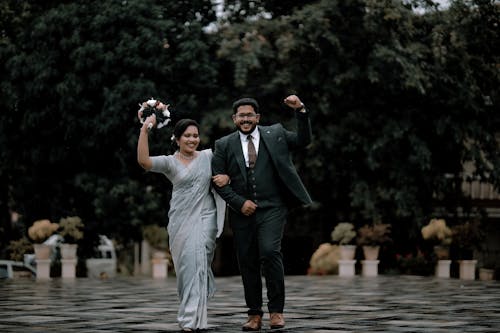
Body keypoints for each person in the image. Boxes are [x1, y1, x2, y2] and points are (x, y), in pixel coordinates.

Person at [211, 95, 313, 331]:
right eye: (241, 115)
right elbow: (218, 181)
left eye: (249, 115)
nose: (245, 119)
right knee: (247, 261)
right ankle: (254, 314)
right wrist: (238, 202)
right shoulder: (224, 144)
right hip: (241, 212)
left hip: (273, 207)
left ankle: (276, 311)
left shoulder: (275, 133)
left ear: (257, 117)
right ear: (234, 119)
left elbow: (303, 140)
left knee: (269, 251)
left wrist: (301, 111)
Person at [137, 111, 228, 332]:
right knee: (187, 269)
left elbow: (229, 169)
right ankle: (190, 312)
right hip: (180, 221)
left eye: (195, 135)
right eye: (187, 135)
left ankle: (191, 320)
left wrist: (227, 177)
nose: (192, 139)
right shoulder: (170, 163)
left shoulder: (209, 157)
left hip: (206, 218)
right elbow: (144, 162)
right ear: (177, 139)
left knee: (198, 263)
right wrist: (144, 129)